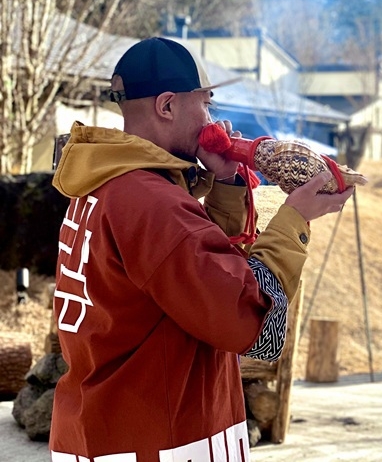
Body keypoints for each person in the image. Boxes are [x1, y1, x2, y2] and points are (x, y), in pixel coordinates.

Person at [49, 37, 354, 462]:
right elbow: (249, 321)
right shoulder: (154, 202)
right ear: (168, 106)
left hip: (103, 426)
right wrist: (295, 219)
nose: (212, 117)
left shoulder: (107, 183)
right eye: (206, 103)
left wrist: (228, 186)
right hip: (162, 439)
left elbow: (195, 272)